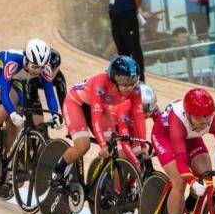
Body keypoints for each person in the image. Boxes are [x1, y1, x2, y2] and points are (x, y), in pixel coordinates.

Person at [50, 55, 142, 189]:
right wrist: (102, 144)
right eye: (123, 80)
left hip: (101, 106)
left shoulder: (135, 90)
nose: (128, 86)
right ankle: (57, 171)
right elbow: (95, 117)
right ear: (113, 78)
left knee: (114, 145)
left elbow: (139, 120)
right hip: (76, 104)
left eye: (132, 80)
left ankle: (108, 185)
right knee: (83, 146)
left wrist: (143, 145)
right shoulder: (101, 83)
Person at [0, 38, 62, 153]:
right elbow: (5, 93)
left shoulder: (45, 68)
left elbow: (50, 94)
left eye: (41, 67)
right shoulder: (13, 62)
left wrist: (55, 115)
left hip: (14, 78)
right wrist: (12, 113)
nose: (38, 71)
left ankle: (5, 157)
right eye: (34, 67)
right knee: (12, 99)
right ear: (27, 59)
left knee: (15, 123)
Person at [106, 0, 148, 82]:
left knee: (134, 48)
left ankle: (140, 78)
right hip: (115, 17)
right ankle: (126, 77)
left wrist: (131, 11)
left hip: (128, 16)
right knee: (121, 48)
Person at [114, 84, 160, 173]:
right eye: (144, 110)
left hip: (131, 126)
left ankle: (132, 184)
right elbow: (124, 143)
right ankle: (117, 187)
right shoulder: (125, 110)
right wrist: (134, 161)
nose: (148, 114)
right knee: (123, 158)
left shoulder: (152, 108)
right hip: (116, 124)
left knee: (140, 155)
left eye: (151, 108)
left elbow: (162, 129)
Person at [23, 48, 67, 129]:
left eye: (54, 69)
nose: (51, 72)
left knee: (40, 126)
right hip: (29, 88)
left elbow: (63, 101)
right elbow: (26, 97)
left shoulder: (59, 79)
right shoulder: (34, 73)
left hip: (34, 88)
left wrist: (66, 122)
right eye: (49, 68)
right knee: (28, 119)